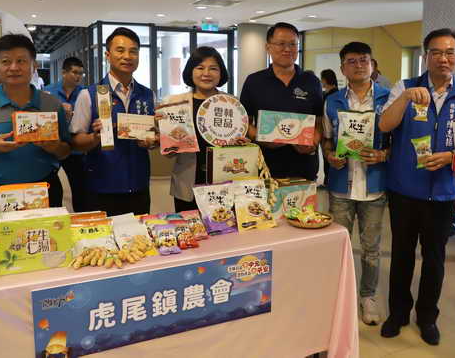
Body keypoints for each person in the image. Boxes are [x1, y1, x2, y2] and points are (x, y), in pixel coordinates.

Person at [378, 28, 455, 345]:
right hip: (404, 189)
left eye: (450, 52)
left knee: (435, 259)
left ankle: (427, 317)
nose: (443, 58)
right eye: (436, 52)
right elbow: (384, 125)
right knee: (402, 255)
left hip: (444, 193)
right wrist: (405, 98)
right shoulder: (405, 86)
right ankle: (398, 313)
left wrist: (453, 157)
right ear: (426, 56)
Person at [0, 34, 71, 207]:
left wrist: (53, 146)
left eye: (21, 61)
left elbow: (66, 151)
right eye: (6, 61)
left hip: (45, 190)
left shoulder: (52, 104)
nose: (14, 67)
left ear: (34, 65)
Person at [322, 42, 390, 326]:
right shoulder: (332, 101)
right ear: (342, 68)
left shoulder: (388, 98)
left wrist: (383, 155)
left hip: (374, 184)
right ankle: (340, 295)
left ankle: (367, 296)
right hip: (341, 184)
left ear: (372, 64)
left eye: (364, 60)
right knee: (340, 244)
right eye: (352, 61)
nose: (359, 65)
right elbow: (326, 138)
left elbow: (399, 141)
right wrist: (329, 155)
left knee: (371, 248)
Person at [70, 27, 157, 216]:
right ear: (107, 55)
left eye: (133, 51)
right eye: (120, 50)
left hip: (139, 186)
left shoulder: (148, 95)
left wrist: (152, 142)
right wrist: (95, 137)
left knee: (138, 234)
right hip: (101, 187)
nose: (127, 56)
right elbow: (75, 142)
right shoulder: (89, 94)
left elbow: (153, 137)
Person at [162, 47, 248, 212]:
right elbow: (169, 153)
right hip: (187, 183)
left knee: (223, 225)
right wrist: (164, 136)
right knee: (189, 226)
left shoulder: (232, 104)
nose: (206, 73)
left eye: (213, 68)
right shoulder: (174, 104)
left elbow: (238, 149)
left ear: (221, 73)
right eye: (200, 68)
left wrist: (241, 145)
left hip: (224, 182)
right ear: (191, 71)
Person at [240, 22, 323, 181]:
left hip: (303, 167)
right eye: (281, 44)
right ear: (268, 47)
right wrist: (261, 137)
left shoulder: (311, 81)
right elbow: (245, 122)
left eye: (293, 44)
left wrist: (314, 141)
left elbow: (319, 121)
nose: (287, 49)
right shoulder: (254, 81)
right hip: (264, 167)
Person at [45, 57, 87, 212]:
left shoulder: (84, 93)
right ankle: (54, 215)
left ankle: (80, 217)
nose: (78, 77)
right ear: (64, 73)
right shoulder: (48, 92)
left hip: (76, 147)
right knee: (52, 187)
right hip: (54, 146)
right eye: (75, 72)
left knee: (80, 188)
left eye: (81, 73)